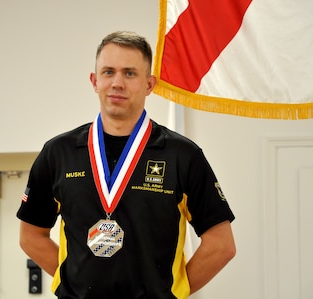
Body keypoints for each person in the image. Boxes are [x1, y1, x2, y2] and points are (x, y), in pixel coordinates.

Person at [17, 31, 236, 299]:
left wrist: (171, 294)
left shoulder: (182, 155)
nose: (117, 83)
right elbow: (31, 235)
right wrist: (70, 285)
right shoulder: (58, 153)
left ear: (149, 84)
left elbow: (221, 245)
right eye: (108, 72)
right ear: (94, 81)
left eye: (130, 73)